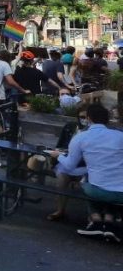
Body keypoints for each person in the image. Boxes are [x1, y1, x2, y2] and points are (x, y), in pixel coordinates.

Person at [50, 103, 123, 241]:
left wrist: (57, 155)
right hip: (121, 191)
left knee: (89, 182)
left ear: (89, 118)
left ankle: (95, 220)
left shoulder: (81, 137)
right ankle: (109, 221)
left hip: (98, 189)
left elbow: (70, 166)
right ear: (107, 120)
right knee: (111, 183)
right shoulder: (120, 136)